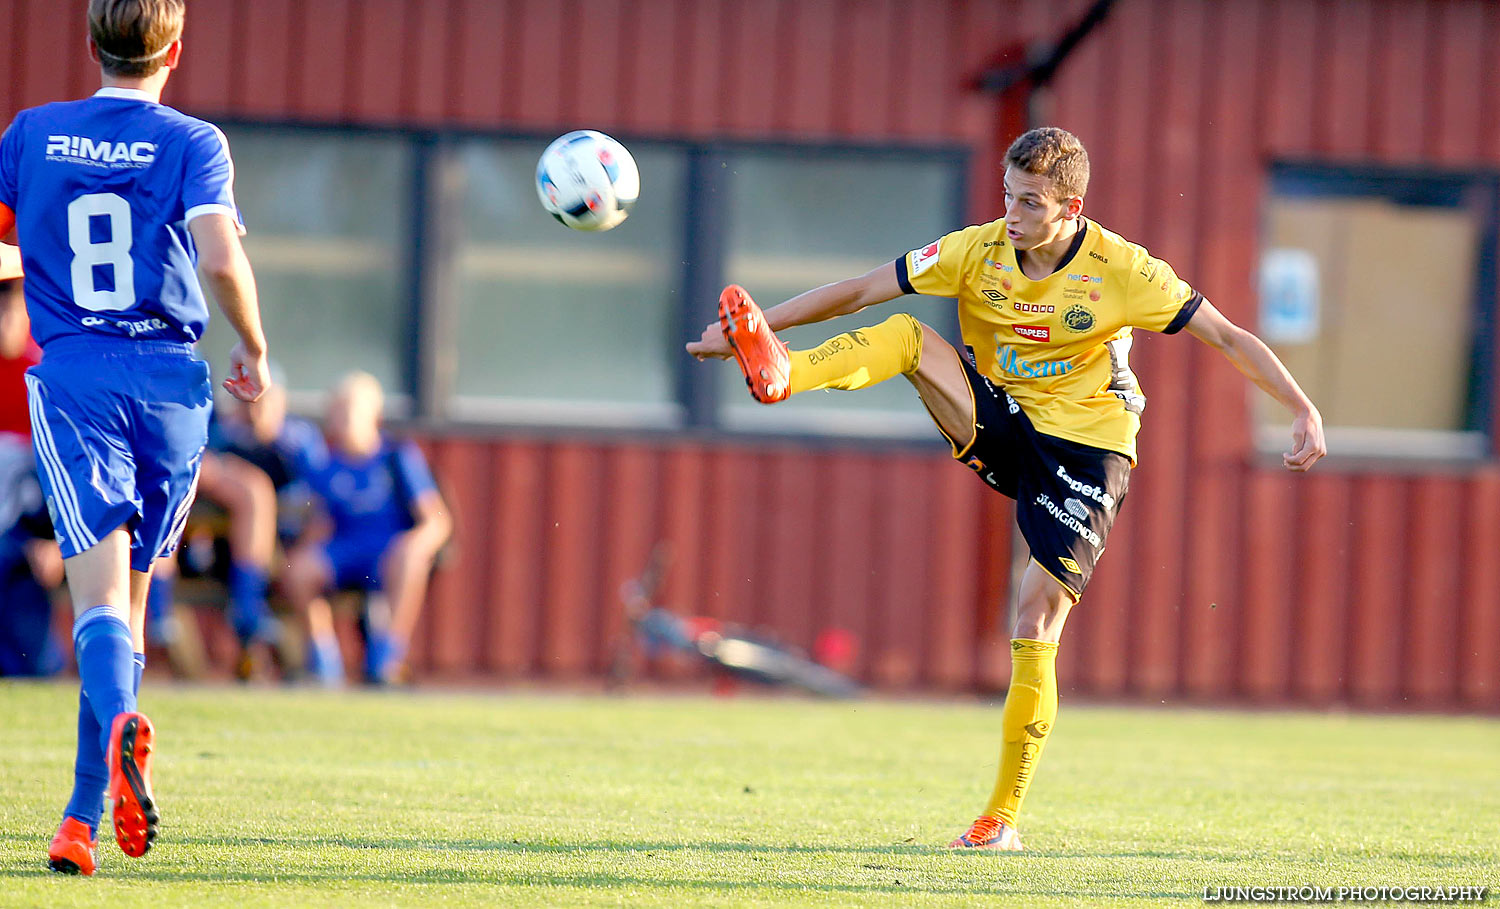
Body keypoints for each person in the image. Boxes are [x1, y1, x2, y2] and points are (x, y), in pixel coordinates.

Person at [687, 127, 1326, 851]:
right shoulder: (976, 250)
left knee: (1034, 618)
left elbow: (1231, 336)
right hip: (1006, 420)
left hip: (1088, 451)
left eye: (1028, 203)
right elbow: (863, 287)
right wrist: (754, 331)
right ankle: (783, 374)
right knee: (905, 333)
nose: (1012, 215)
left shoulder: (1127, 270)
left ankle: (1000, 819)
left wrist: (1301, 406)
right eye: (1007, 197)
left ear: (1071, 207)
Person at [0, 0, 270, 875]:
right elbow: (221, 258)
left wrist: (41, 270)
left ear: (89, 45)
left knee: (96, 601)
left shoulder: (33, 131)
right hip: (173, 389)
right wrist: (256, 347)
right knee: (132, 599)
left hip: (79, 375)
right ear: (176, 50)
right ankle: (79, 820)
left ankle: (117, 726)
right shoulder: (196, 142)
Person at [281, 371, 450, 686]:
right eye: (336, 410)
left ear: (373, 414)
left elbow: (437, 522)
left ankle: (385, 661)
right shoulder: (324, 465)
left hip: (387, 552)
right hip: (344, 550)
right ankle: (323, 662)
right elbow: (318, 523)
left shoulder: (397, 457)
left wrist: (414, 545)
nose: (341, 418)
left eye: (349, 410)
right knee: (299, 570)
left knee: (410, 558)